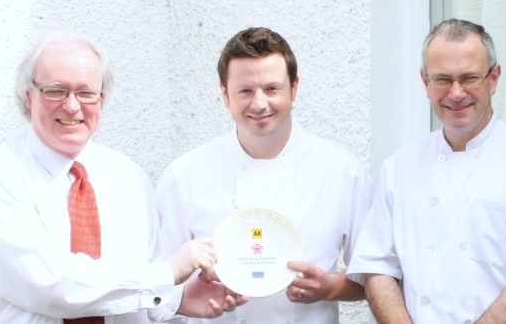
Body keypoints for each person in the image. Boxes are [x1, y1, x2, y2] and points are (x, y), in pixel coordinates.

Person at [0, 32, 243, 323]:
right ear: (28, 95)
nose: (72, 106)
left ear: (102, 98)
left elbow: (142, 290)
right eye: (56, 90)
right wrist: (166, 274)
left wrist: (177, 298)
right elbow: (53, 286)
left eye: (86, 92)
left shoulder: (128, 176)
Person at [348, 19, 506, 323]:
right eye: (442, 79)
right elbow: (377, 267)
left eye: (469, 78)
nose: (456, 92)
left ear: (494, 78)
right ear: (425, 83)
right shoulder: (399, 165)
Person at [154, 27, 373, 323]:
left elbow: (376, 277)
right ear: (224, 94)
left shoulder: (343, 172)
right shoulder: (184, 176)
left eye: (272, 89)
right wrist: (183, 296)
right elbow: (158, 286)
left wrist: (329, 286)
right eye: (245, 91)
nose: (259, 104)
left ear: (294, 88)